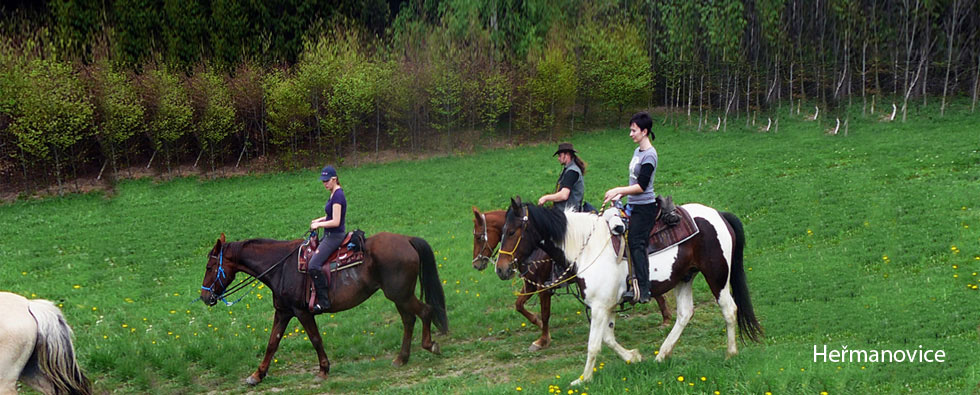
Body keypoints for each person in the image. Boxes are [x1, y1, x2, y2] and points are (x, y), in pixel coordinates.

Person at [603, 112, 658, 304]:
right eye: (630, 130)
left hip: (645, 207)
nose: (630, 134)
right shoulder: (637, 152)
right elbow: (633, 181)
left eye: (633, 130)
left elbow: (642, 186)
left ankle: (644, 288)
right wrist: (620, 196)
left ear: (644, 131)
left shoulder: (650, 155)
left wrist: (621, 190)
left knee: (636, 242)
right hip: (633, 204)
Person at [308, 165, 347, 313]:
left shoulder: (338, 196)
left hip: (334, 236)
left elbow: (336, 221)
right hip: (329, 234)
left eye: (327, 181)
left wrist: (319, 224)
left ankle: (324, 301)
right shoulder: (333, 193)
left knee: (313, 264)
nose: (325, 184)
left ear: (334, 179)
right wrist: (318, 220)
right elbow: (330, 215)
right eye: (323, 181)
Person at [538, 142, 586, 212]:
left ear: (567, 155)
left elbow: (564, 195)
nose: (558, 158)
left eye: (560, 155)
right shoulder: (569, 170)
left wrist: (545, 198)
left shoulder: (572, 172)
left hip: (569, 213)